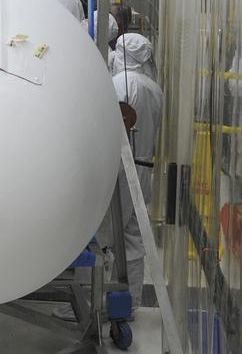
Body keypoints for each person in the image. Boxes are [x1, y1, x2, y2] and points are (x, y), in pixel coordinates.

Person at [103, 33, 163, 315]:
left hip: (121, 167)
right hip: (144, 167)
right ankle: (131, 303)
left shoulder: (119, 85)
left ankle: (97, 301)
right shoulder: (154, 87)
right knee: (133, 237)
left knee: (106, 235)